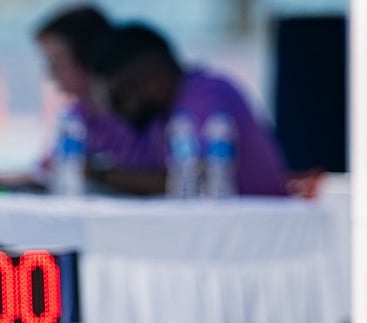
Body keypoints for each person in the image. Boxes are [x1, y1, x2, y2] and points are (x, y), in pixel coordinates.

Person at [87, 21, 290, 196]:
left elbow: (197, 178)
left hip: (256, 229)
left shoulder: (205, 96)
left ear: (153, 79)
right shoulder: (161, 116)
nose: (114, 108)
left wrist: (101, 175)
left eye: (118, 97)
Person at [0, 2, 140, 194]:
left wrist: (95, 174)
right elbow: (45, 172)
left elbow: (168, 181)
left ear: (90, 55)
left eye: (58, 60)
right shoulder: (76, 115)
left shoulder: (136, 113)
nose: (51, 73)